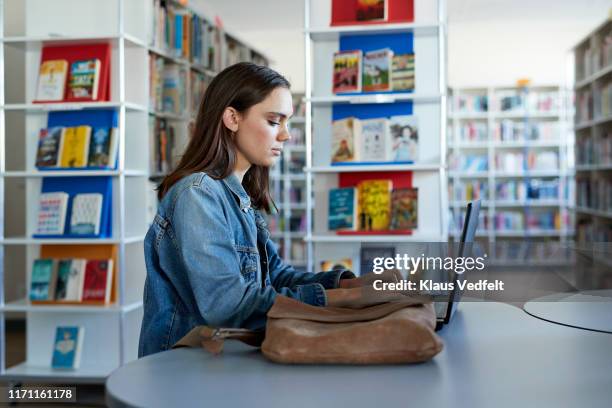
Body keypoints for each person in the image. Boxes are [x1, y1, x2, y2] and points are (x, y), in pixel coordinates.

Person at [138, 63, 403, 357]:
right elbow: (225, 305)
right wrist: (342, 298)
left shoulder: (240, 195)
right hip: (184, 372)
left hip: (227, 361)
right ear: (232, 118)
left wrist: (346, 283)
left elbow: (275, 277)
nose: (286, 135)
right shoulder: (197, 194)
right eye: (274, 121)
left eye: (287, 122)